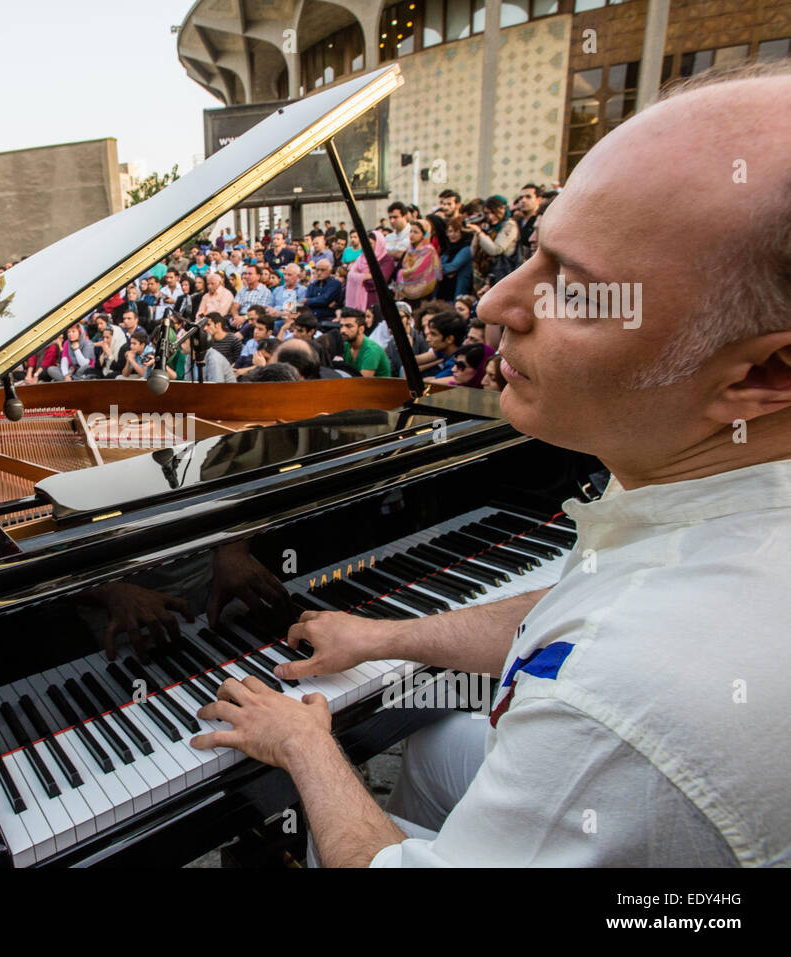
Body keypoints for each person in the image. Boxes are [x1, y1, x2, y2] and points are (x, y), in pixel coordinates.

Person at [187, 62, 791, 867]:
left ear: (761, 377)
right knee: (437, 748)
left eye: (575, 286)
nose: (497, 301)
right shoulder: (718, 480)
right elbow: (582, 600)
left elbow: (603, 672)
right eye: (537, 254)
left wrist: (305, 744)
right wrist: (386, 635)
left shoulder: (620, 706)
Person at [325, 309, 391, 378]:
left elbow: (362, 384)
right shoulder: (346, 344)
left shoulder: (372, 350)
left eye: (349, 326)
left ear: (361, 329)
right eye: (341, 326)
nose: (343, 330)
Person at [392, 222, 441, 307]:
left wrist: (403, 273)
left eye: (416, 232)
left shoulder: (428, 251)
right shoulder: (408, 251)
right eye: (411, 231)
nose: (412, 235)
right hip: (406, 294)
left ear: (424, 234)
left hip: (422, 292)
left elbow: (417, 270)